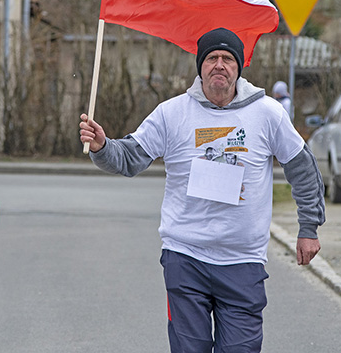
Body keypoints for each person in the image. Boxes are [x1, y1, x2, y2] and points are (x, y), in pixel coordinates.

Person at [79, 27, 326, 352]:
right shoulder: (172, 113)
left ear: (238, 67)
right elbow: (128, 159)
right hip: (186, 257)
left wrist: (308, 227)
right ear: (200, 67)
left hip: (243, 261)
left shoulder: (267, 113)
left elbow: (303, 169)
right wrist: (102, 147)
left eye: (227, 59)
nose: (219, 65)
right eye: (211, 58)